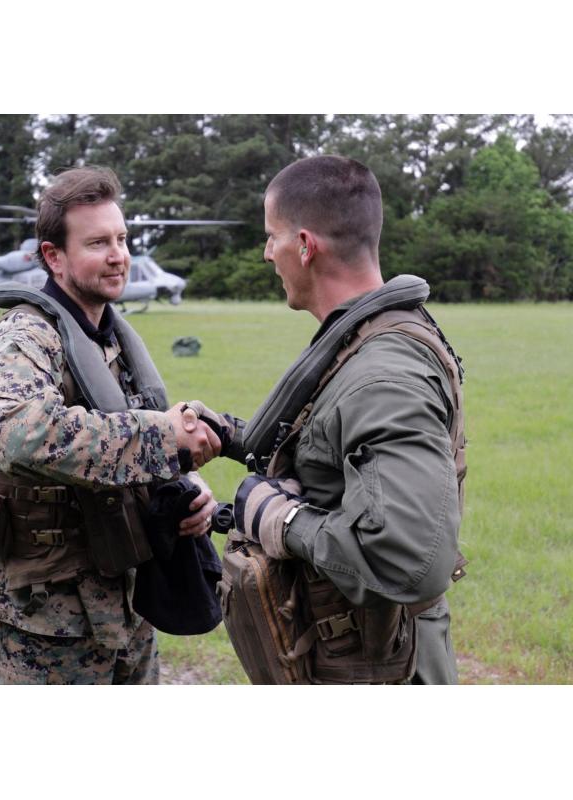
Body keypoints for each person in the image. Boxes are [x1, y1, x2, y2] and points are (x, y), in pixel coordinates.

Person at [198, 155, 466, 684]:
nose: (266, 252)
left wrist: (283, 520)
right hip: (356, 653)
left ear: (304, 245)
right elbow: (337, 449)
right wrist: (232, 436)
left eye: (271, 236)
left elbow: (412, 560)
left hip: (378, 667)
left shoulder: (381, 375)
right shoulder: (363, 343)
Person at [0, 166, 221, 685]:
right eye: (98, 242)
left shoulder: (110, 338)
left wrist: (187, 489)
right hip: (48, 618)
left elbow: (137, 441)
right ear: (52, 257)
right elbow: (17, 433)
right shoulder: (26, 337)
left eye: (122, 240)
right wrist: (162, 438)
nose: (118, 255)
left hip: (129, 599)